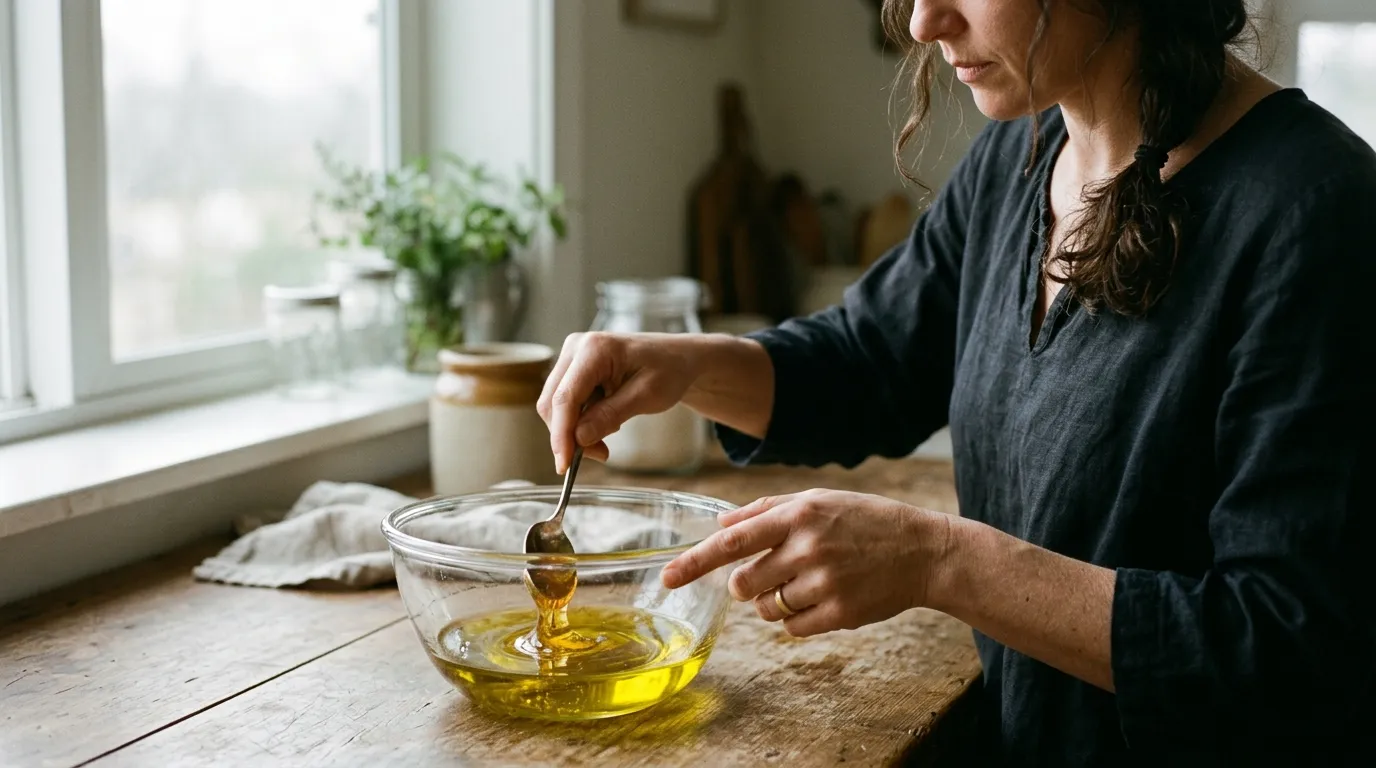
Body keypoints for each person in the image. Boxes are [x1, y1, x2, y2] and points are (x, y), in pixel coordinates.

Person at [538, 0, 1376, 764]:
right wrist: (683, 366)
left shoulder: (1318, 211)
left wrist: (937, 561)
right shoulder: (1023, 152)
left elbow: (1285, 650)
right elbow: (870, 362)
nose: (923, 21)